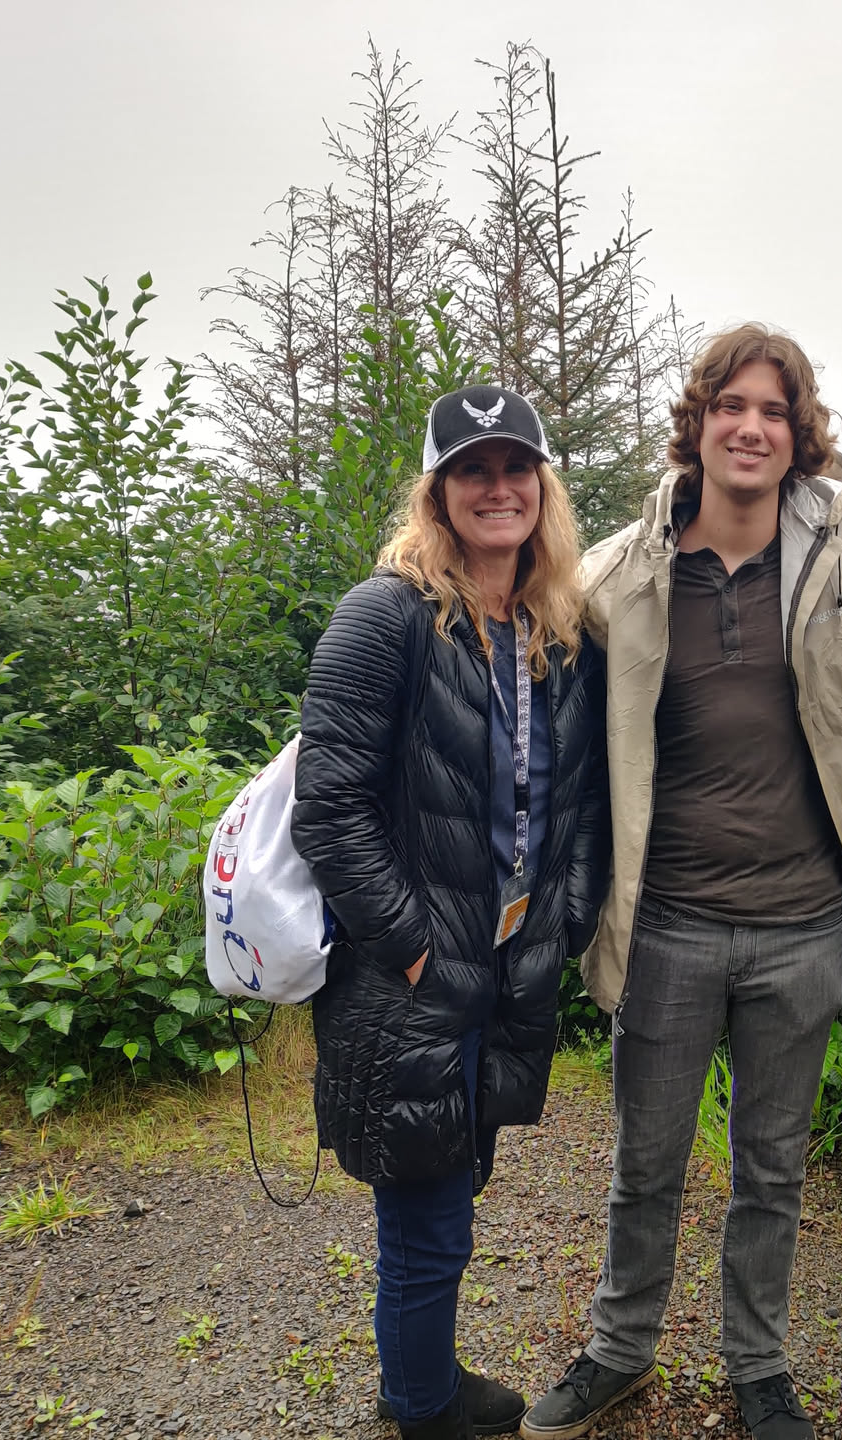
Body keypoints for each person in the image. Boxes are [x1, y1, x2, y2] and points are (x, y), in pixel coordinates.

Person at [521, 325, 842, 1440]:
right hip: (668, 924)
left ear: (800, 434)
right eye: (732, 405)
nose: (751, 428)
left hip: (804, 925)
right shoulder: (619, 576)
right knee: (646, 1163)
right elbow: (505, 633)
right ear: (699, 422)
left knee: (772, 1170)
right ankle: (619, 1349)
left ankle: (759, 1365)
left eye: (775, 411)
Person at [292, 383, 609, 1440]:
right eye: (473, 469)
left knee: (451, 1180)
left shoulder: (560, 628)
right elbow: (330, 807)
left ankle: (419, 1381)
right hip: (414, 975)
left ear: (543, 488)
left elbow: (582, 801)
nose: (498, 487)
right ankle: (423, 1407)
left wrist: (563, 923)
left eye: (517, 467)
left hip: (510, 963)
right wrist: (415, 949)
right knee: (424, 1217)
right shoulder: (385, 615)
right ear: (437, 493)